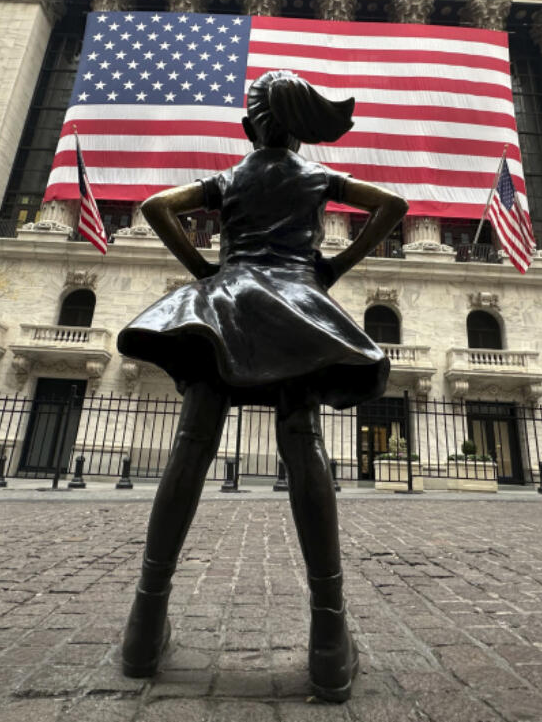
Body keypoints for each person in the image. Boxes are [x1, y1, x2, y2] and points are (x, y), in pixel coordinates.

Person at [116, 70, 408, 702]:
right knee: (303, 444)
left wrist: (204, 271)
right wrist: (329, 268)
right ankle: (329, 642)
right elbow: (393, 207)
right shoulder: (314, 178)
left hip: (226, 303)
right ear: (300, 130)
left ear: (250, 126)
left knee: (191, 447)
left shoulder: (231, 178)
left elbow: (156, 208)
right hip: (296, 305)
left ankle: (143, 626)